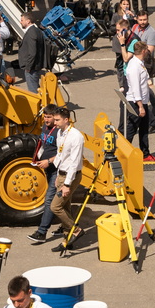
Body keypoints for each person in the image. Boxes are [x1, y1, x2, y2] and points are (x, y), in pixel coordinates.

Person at [50, 107, 87, 250]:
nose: (55, 123)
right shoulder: (60, 132)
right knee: (65, 207)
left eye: (58, 120)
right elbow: (61, 155)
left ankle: (76, 230)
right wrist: (58, 175)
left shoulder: (76, 136)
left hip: (71, 176)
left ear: (66, 120)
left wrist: (66, 184)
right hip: (62, 174)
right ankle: (67, 240)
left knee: (55, 206)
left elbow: (74, 163)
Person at [27, 106, 62, 243]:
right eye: (45, 116)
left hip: (56, 170)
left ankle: (42, 232)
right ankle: (67, 227)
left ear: (55, 117)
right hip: (48, 169)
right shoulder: (45, 127)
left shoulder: (58, 132)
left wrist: (48, 161)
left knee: (49, 200)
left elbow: (62, 154)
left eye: (49, 117)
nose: (46, 119)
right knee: (63, 201)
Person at [123, 38, 155, 158]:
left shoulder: (138, 63)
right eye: (146, 49)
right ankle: (123, 153)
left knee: (144, 129)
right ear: (143, 51)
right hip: (136, 103)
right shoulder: (134, 67)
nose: (148, 51)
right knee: (131, 129)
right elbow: (136, 88)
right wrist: (140, 106)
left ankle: (145, 154)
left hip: (142, 102)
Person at [18, 12, 47, 94]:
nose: (21, 22)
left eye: (22, 20)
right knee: (36, 89)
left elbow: (32, 52)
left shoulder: (31, 33)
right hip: (35, 66)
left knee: (33, 92)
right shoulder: (37, 31)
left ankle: (38, 106)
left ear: (28, 21)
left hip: (31, 68)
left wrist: (28, 67)